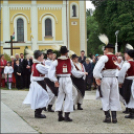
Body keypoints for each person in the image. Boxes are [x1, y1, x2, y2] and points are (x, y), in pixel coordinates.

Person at [48, 46, 87, 122]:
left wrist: (55, 80)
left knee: (60, 96)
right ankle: (66, 115)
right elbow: (74, 72)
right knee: (69, 95)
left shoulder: (56, 61)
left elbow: (50, 72)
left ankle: (59, 114)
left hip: (60, 79)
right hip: (67, 79)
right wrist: (82, 73)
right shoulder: (70, 61)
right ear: (66, 53)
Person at [93, 34, 121, 123]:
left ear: (105, 49)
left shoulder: (105, 57)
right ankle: (114, 117)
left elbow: (97, 68)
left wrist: (97, 77)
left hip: (106, 78)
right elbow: (118, 67)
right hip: (114, 78)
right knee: (114, 97)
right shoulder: (115, 57)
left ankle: (108, 117)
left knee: (105, 97)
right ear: (112, 49)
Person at [23, 50, 49, 118]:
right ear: (39, 57)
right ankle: (38, 112)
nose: (43, 56)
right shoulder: (38, 66)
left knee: (40, 97)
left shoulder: (35, 65)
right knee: (43, 97)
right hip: (38, 83)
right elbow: (47, 69)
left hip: (37, 83)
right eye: (42, 55)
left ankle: (39, 111)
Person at [118, 45, 134, 119]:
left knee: (127, 95)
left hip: (128, 81)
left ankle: (131, 112)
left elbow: (121, 74)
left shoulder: (127, 64)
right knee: (131, 96)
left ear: (129, 56)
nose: (125, 55)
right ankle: (131, 111)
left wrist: (120, 82)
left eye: (126, 54)